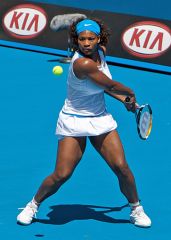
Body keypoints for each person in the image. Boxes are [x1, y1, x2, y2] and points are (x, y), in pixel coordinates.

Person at [17, 18, 151, 227]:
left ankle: (136, 208)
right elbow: (111, 84)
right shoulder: (83, 63)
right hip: (74, 120)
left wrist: (127, 103)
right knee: (62, 174)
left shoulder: (101, 53)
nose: (86, 43)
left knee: (122, 167)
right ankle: (33, 205)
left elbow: (103, 88)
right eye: (82, 39)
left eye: (91, 38)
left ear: (99, 39)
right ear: (76, 40)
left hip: (99, 119)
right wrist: (130, 94)